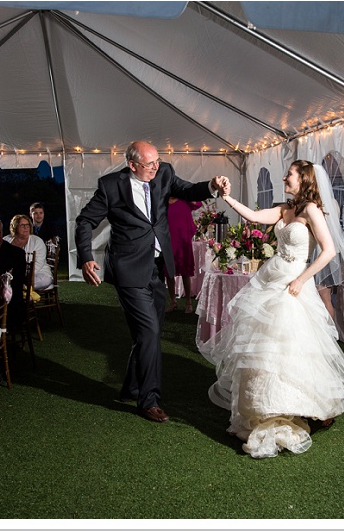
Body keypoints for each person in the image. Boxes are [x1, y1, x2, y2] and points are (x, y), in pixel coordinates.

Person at [198, 159, 344, 459]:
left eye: (289, 174)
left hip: (293, 282)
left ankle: (306, 404)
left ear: (303, 179)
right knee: (263, 344)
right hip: (270, 279)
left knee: (292, 342)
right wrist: (226, 196)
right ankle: (264, 404)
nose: (284, 177)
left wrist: (303, 279)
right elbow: (252, 216)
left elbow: (329, 251)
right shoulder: (284, 209)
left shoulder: (311, 210)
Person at [75, 140, 230, 423]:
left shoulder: (164, 174)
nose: (156, 168)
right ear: (132, 165)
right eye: (149, 164)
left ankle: (131, 387)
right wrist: (86, 257)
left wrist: (212, 185)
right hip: (128, 271)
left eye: (158, 161)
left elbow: (188, 190)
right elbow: (85, 221)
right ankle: (149, 399)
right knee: (148, 333)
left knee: (150, 333)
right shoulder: (111, 185)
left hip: (158, 269)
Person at [309, 164, 344, 320]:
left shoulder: (315, 205)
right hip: (330, 253)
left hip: (319, 253)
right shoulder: (333, 202)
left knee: (323, 297)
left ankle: (329, 334)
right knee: (324, 298)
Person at [164, 198, 202, 314]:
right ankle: (173, 301)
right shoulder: (163, 202)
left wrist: (187, 196)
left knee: (186, 273)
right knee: (169, 273)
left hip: (183, 241)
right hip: (168, 240)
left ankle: (188, 302)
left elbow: (198, 203)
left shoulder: (184, 200)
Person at [4, 214, 52, 290]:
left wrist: (22, 275)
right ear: (15, 227)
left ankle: (20, 288)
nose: (26, 227)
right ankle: (20, 289)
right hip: (10, 275)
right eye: (22, 225)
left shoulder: (37, 241)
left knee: (44, 280)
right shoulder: (6, 240)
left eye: (27, 225)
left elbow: (39, 263)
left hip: (36, 274)